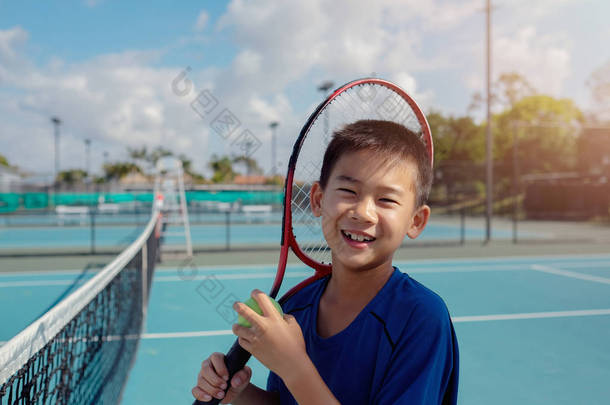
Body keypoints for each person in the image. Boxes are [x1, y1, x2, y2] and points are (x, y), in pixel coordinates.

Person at [192, 120, 459, 404]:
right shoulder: (297, 309)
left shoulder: (421, 317)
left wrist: (294, 365)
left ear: (416, 221)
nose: (363, 212)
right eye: (348, 192)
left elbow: (298, 379)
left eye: (386, 199)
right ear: (318, 199)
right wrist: (240, 393)